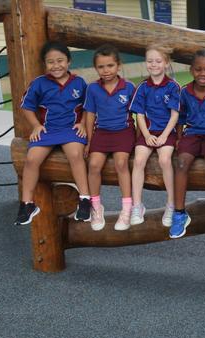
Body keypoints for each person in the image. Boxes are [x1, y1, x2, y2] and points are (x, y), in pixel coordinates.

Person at [15, 41, 91, 225]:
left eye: (60, 61)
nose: (56, 66)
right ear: (45, 64)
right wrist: (35, 125)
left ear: (69, 61)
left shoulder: (79, 82)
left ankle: (85, 199)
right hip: (48, 130)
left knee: (75, 154)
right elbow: (26, 106)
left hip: (71, 129)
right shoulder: (39, 83)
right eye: (51, 62)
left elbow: (89, 107)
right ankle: (27, 204)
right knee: (32, 159)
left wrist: (82, 123)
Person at [170, 49, 205, 239]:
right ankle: (179, 213)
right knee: (181, 162)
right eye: (198, 69)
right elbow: (180, 118)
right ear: (191, 70)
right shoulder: (184, 91)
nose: (203, 74)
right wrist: (178, 138)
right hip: (192, 133)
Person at [84, 44, 136, 231]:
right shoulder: (93, 89)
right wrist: (89, 141)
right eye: (101, 67)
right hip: (102, 132)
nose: (106, 71)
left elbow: (139, 114)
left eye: (110, 66)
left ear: (118, 65)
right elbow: (89, 115)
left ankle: (127, 208)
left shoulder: (129, 87)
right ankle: (96, 206)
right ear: (96, 68)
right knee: (94, 165)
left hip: (123, 131)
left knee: (121, 163)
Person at [129, 44, 181, 227]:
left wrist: (165, 136)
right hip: (148, 132)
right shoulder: (142, 87)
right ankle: (137, 205)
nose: (154, 64)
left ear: (166, 63)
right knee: (138, 160)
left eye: (158, 61)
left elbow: (175, 115)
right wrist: (147, 135)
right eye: (150, 61)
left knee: (165, 160)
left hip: (167, 132)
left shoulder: (173, 86)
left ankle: (171, 204)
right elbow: (140, 115)